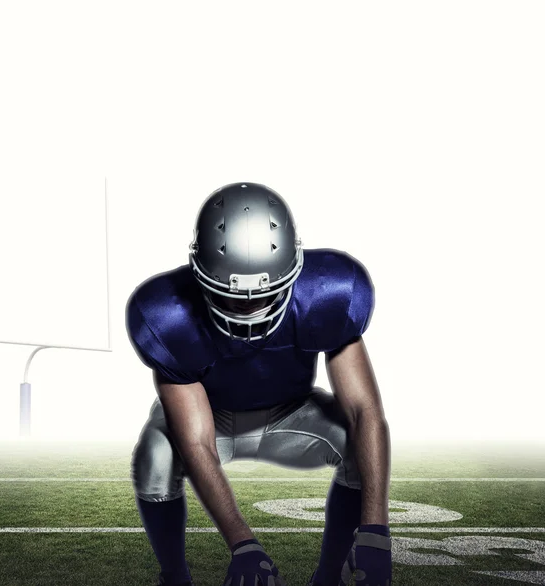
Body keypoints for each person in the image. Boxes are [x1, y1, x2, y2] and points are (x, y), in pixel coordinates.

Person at [126, 182, 392, 586]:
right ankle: (175, 577)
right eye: (233, 297)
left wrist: (375, 529)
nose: (250, 308)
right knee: (155, 452)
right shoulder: (167, 316)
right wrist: (243, 543)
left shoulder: (330, 293)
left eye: (265, 294)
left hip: (292, 414)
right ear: (201, 277)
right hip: (211, 422)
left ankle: (328, 577)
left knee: (357, 442)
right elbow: (196, 442)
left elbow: (363, 410)